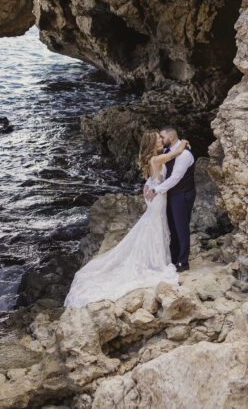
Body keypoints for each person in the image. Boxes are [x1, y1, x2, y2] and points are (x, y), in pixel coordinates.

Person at [64, 130, 191, 308]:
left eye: (161, 138)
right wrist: (184, 142)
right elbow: (176, 154)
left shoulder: (155, 157)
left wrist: (148, 186)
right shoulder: (156, 159)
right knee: (155, 225)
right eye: (158, 140)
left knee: (156, 224)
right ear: (152, 144)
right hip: (158, 197)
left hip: (156, 194)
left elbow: (154, 176)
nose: (161, 141)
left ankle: (160, 257)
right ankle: (156, 261)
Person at [145, 125, 196, 271]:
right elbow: (159, 173)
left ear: (171, 137)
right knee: (172, 227)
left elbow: (175, 178)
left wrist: (155, 190)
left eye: (162, 137)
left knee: (181, 227)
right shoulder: (167, 151)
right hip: (169, 195)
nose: (160, 140)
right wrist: (149, 184)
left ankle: (183, 261)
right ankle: (173, 257)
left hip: (182, 194)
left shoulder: (184, 155)